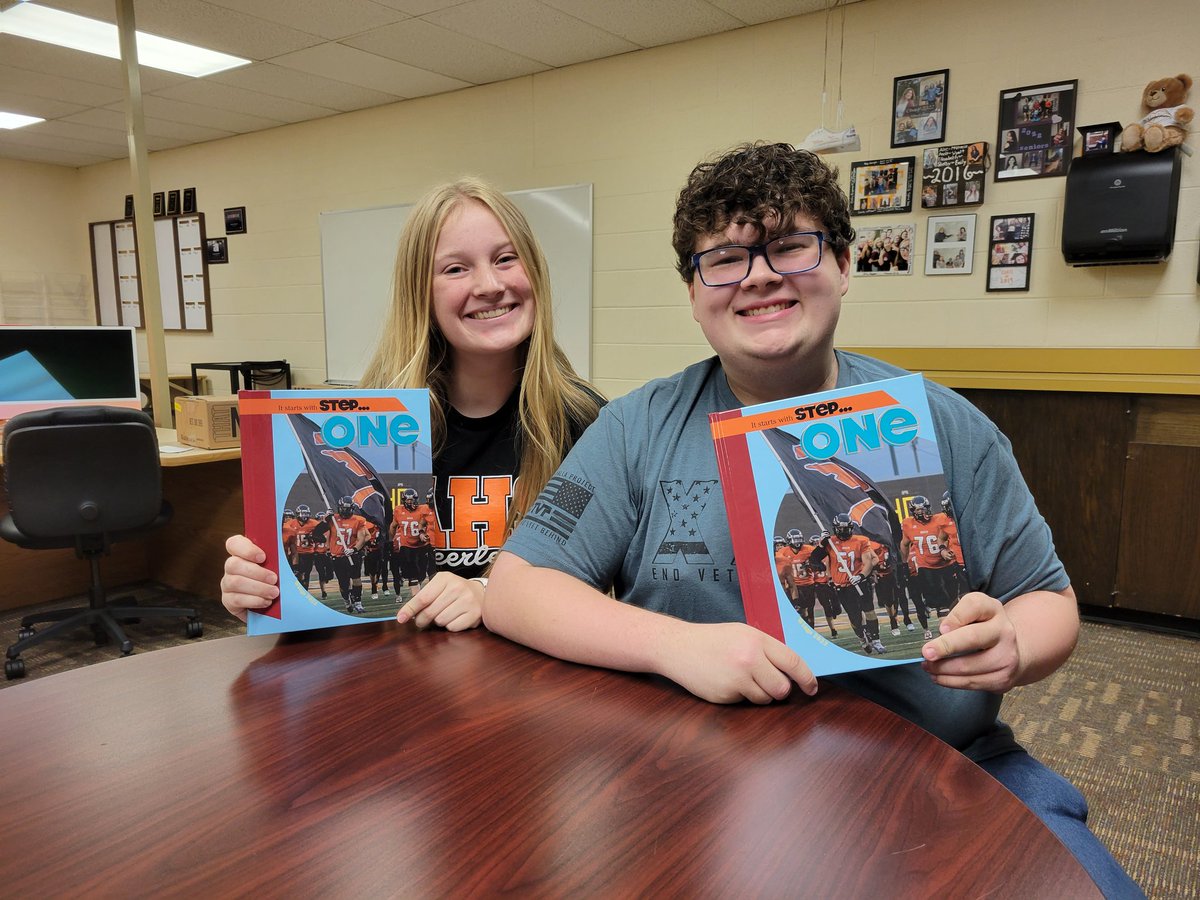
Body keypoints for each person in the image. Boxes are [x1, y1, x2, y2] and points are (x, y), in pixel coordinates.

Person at [484, 142, 1142, 898]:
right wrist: (676, 645)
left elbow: (1048, 599)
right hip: (699, 774)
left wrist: (1014, 644)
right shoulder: (637, 428)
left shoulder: (944, 424)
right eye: (724, 258)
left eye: (791, 246)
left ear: (844, 265)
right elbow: (516, 585)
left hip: (942, 771)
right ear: (695, 291)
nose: (760, 275)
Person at [220, 177, 603, 631]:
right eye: (455, 269)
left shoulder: (587, 421)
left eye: (505, 258)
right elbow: (339, 602)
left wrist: (486, 592)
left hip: (526, 680)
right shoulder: (369, 421)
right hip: (397, 676)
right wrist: (264, 588)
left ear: (534, 272)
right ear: (421, 292)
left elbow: (594, 575)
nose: (489, 284)